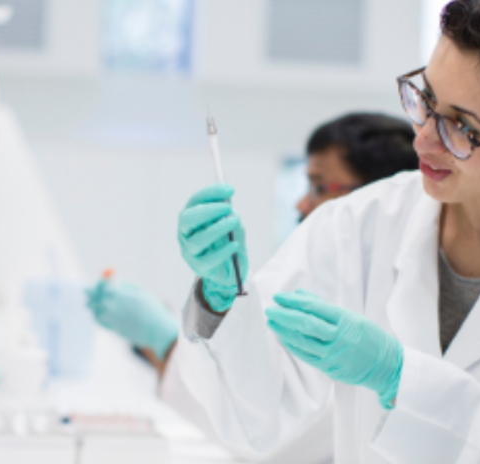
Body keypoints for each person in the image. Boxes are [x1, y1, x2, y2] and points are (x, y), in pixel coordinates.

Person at [171, 1, 480, 463]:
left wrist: (400, 380)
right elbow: (257, 420)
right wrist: (222, 302)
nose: (423, 137)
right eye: (425, 99)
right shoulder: (358, 225)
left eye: (463, 128)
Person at [86, 113, 416, 464]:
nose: (300, 204)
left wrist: (165, 340)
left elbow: (263, 430)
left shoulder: (376, 317)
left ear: (374, 199)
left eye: (319, 186)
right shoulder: (317, 276)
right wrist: (213, 308)